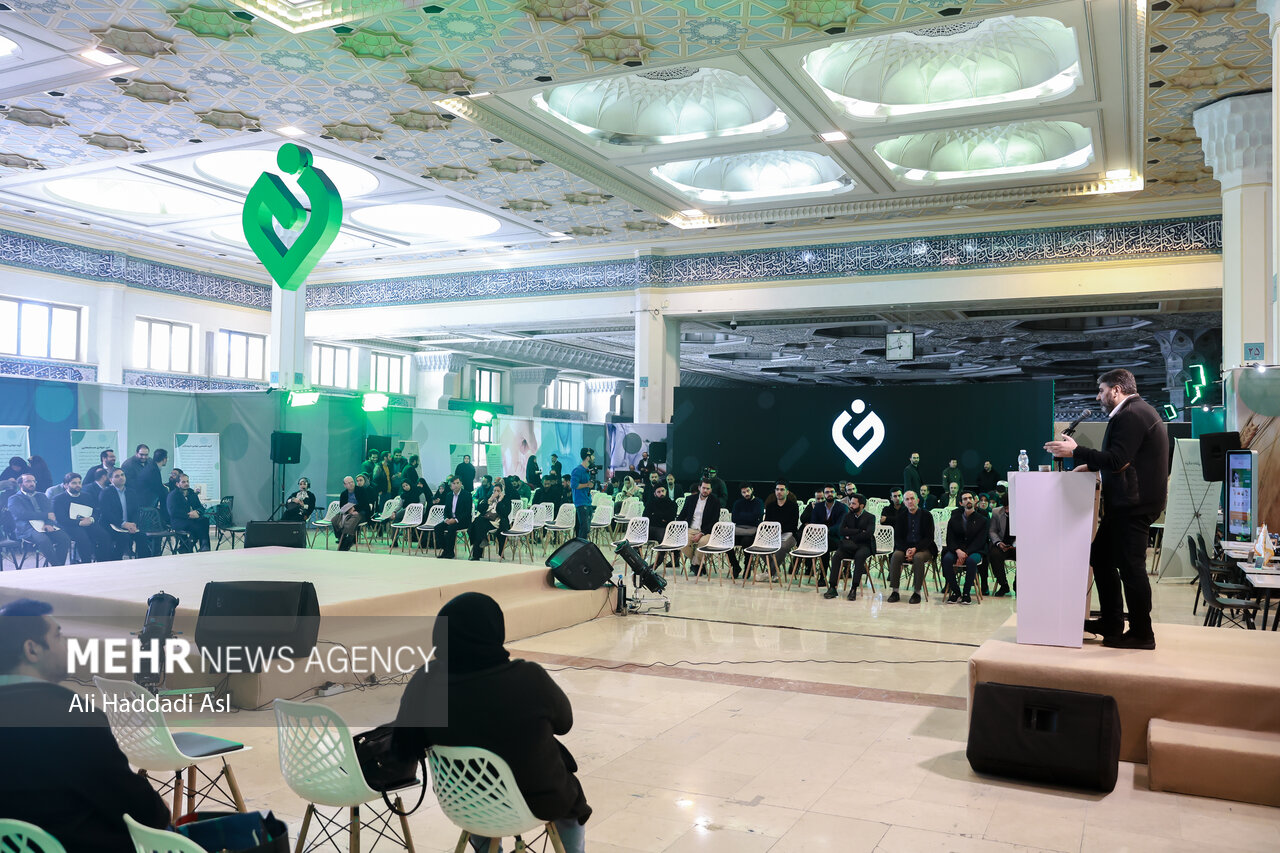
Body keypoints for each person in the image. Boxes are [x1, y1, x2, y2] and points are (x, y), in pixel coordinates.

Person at [392, 593, 590, 853]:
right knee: (571, 805)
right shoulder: (529, 677)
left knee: (476, 786)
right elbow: (564, 724)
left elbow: (405, 743)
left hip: (466, 805)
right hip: (537, 800)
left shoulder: (425, 681)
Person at [0, 599, 172, 851]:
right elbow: (143, 813)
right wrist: (161, 812)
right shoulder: (74, 718)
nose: (66, 644)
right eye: (58, 636)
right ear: (32, 649)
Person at [1045, 367, 1169, 649]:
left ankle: (1142, 634)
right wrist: (1091, 466)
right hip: (1127, 506)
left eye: (1101, 391)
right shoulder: (1135, 412)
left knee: (1132, 570)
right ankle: (1111, 622)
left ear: (1116, 390)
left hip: (1133, 507)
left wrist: (1077, 452)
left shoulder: (1132, 415)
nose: (1098, 396)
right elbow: (1127, 460)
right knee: (1100, 557)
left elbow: (1117, 459)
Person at [8, 473, 70, 566]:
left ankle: (59, 565)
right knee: (44, 540)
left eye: (34, 481)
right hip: (27, 527)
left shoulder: (41, 496)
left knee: (64, 538)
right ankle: (57, 566)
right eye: (28, 481)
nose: (32, 483)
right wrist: (45, 516)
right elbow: (22, 514)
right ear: (20, 484)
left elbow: (50, 512)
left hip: (45, 524)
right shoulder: (14, 498)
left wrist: (49, 523)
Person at [941, 491, 988, 604]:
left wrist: (965, 553)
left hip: (974, 550)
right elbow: (950, 539)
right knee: (946, 559)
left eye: (970, 498)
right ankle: (956, 591)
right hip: (956, 550)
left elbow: (980, 541)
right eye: (965, 499)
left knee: (971, 561)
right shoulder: (954, 518)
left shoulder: (982, 520)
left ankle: (966, 593)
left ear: (974, 501)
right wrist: (958, 551)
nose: (968, 500)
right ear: (961, 503)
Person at [887, 490, 934, 603]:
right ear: (904, 502)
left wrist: (915, 549)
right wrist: (907, 550)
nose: (910, 501)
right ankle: (895, 591)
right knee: (896, 555)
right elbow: (898, 538)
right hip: (905, 548)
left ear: (917, 500)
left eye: (912, 498)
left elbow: (929, 538)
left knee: (918, 557)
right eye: (907, 499)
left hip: (924, 548)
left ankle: (917, 592)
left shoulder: (927, 515)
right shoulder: (901, 516)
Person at [53, 473, 111, 564]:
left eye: (79, 483)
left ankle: (102, 562)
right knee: (83, 538)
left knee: (104, 536)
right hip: (69, 525)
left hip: (88, 522)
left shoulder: (87, 496)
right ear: (66, 485)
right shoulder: (58, 499)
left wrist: (91, 519)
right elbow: (61, 519)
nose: (78, 485)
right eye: (74, 483)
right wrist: (79, 523)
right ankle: (86, 564)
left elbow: (96, 511)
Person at [829, 493, 875, 600]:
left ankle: (854, 588)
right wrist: (859, 531)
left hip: (864, 545)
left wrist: (850, 534)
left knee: (859, 556)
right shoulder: (847, 515)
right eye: (850, 503)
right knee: (836, 556)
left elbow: (868, 534)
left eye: (854, 504)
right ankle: (832, 587)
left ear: (862, 505)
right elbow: (841, 531)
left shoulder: (870, 517)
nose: (850, 505)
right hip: (848, 545)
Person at [802, 484, 847, 584]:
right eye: (827, 492)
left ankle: (822, 577)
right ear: (824, 494)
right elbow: (814, 522)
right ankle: (816, 571)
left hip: (836, 538)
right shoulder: (818, 507)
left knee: (825, 544)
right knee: (823, 543)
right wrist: (821, 533)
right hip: (820, 537)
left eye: (832, 492)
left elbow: (840, 526)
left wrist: (826, 530)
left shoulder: (842, 507)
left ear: (835, 493)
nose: (829, 494)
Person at [677, 479, 721, 575]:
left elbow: (714, 521)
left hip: (706, 531)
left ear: (711, 490)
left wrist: (701, 533)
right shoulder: (690, 499)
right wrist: (678, 527)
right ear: (699, 488)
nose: (705, 490)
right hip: (691, 529)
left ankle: (695, 565)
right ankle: (698, 564)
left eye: (708, 489)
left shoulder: (715, 501)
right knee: (681, 541)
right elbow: (682, 515)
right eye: (703, 488)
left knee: (702, 542)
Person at [726, 483, 764, 578]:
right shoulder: (738, 503)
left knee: (746, 541)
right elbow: (734, 518)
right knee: (726, 541)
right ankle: (735, 566)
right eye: (743, 492)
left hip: (752, 531)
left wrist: (742, 515)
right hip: (739, 530)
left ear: (752, 490)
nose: (746, 494)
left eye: (748, 491)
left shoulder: (758, 502)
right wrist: (750, 516)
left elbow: (757, 517)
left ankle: (747, 566)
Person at [469, 479, 512, 560]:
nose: (496, 492)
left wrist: (499, 501)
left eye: (498, 491)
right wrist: (489, 501)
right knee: (477, 523)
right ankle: (483, 539)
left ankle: (476, 555)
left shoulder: (506, 499)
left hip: (498, 522)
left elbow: (505, 513)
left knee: (477, 524)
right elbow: (480, 509)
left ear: (502, 492)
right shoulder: (489, 498)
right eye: (494, 490)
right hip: (486, 520)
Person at [166, 474, 209, 552]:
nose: (186, 484)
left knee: (204, 520)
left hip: (191, 519)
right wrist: (189, 515)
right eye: (183, 482)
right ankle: (197, 546)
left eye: (187, 481)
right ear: (177, 484)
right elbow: (173, 512)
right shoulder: (172, 495)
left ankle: (203, 545)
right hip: (178, 521)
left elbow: (200, 507)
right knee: (199, 526)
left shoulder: (191, 493)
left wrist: (197, 512)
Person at [433, 477, 473, 559]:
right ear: (451, 485)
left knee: (451, 528)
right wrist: (446, 518)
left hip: (462, 521)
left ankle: (449, 552)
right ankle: (446, 550)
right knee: (437, 528)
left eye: (458, 483)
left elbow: (467, 512)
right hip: (450, 519)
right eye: (454, 483)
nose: (456, 485)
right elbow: (446, 510)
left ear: (461, 484)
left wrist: (455, 520)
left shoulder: (467, 495)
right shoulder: (449, 495)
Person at [333, 475, 370, 551]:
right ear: (345, 485)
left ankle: (349, 540)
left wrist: (355, 508)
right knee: (334, 520)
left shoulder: (361, 490)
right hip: (347, 512)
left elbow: (365, 504)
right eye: (348, 483)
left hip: (360, 512)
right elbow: (341, 506)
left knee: (351, 521)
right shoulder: (343, 494)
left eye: (352, 482)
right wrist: (349, 510)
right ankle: (341, 537)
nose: (351, 484)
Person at [986, 502, 1014, 597]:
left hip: (1018, 544)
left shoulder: (1023, 511)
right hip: (1002, 543)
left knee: (1026, 556)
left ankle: (1018, 584)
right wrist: (998, 542)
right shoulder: (996, 512)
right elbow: (992, 530)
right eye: (1005, 508)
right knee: (994, 555)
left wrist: (1015, 544)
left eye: (1009, 508)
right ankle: (1003, 584)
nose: (1007, 511)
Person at [764, 480, 800, 552]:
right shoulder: (770, 506)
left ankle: (774, 560)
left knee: (781, 546)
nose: (779, 492)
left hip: (789, 535)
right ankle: (772, 560)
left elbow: (794, 525)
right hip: (772, 535)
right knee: (762, 546)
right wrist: (771, 531)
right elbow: (766, 523)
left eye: (782, 490)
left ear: (787, 492)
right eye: (777, 489)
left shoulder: (793, 506)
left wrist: (780, 529)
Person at [570, 447, 596, 540]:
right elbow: (574, 485)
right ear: (588, 457)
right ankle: (581, 546)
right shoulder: (578, 470)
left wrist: (590, 484)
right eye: (592, 456)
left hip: (587, 501)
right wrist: (587, 484)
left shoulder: (588, 471)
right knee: (584, 528)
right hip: (581, 502)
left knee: (587, 529)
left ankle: (583, 544)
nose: (594, 458)